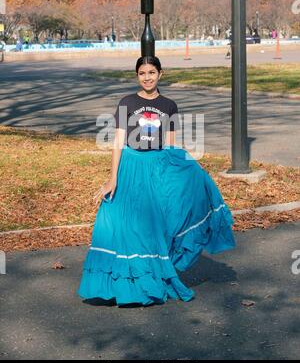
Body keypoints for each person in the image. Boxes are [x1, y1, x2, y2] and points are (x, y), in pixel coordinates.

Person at [77, 56, 236, 307]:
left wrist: (190, 170)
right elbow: (118, 143)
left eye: (152, 72)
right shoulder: (127, 102)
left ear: (160, 74)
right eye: (142, 73)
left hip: (157, 168)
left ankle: (148, 282)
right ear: (137, 76)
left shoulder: (169, 105)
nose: (147, 77)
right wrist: (111, 179)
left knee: (153, 227)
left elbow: (171, 145)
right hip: (130, 165)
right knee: (118, 222)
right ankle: (119, 285)